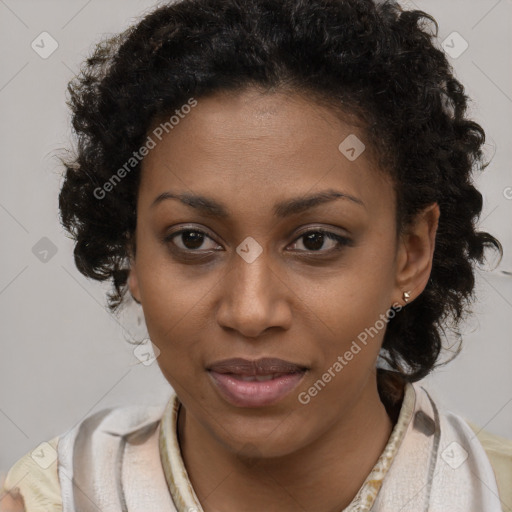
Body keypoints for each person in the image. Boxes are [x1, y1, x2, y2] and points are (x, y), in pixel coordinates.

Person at [1, 0, 511, 510]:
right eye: (192, 239)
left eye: (316, 240)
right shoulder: (47, 498)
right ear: (132, 250)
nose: (250, 312)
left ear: (411, 253)